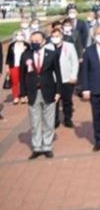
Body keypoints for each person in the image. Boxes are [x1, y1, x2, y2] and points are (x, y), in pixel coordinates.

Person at [22, 30, 62, 159]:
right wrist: (23, 93)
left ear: (44, 41)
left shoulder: (52, 54)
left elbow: (58, 74)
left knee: (49, 121)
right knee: (35, 122)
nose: (35, 43)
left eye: (37, 41)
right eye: (32, 41)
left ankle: (47, 146)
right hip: (32, 92)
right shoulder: (26, 55)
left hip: (48, 91)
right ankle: (37, 147)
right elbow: (22, 76)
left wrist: (58, 91)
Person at [51, 26, 79, 128]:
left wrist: (73, 75)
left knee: (67, 100)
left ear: (62, 36)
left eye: (57, 36)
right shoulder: (48, 47)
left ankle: (68, 119)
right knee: (54, 101)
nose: (55, 38)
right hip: (53, 80)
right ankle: (54, 120)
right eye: (53, 36)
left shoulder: (69, 46)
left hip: (67, 78)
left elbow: (75, 62)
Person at [5, 31, 27, 105]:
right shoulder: (11, 45)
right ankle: (16, 96)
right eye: (17, 35)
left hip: (24, 66)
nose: (19, 36)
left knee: (23, 81)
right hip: (14, 65)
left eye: (21, 35)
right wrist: (7, 67)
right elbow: (8, 57)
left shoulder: (27, 45)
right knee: (15, 82)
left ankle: (24, 95)